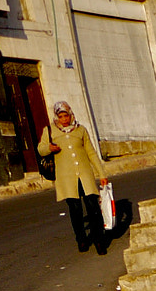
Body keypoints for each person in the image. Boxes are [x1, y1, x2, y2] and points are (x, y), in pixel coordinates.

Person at [37, 102, 108, 254]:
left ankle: (99, 240)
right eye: (61, 116)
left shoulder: (81, 130)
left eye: (66, 115)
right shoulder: (49, 131)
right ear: (57, 117)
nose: (64, 119)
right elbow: (41, 149)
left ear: (70, 114)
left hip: (85, 175)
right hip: (66, 178)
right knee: (75, 210)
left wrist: (101, 174)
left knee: (93, 208)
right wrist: (49, 148)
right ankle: (81, 239)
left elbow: (91, 152)